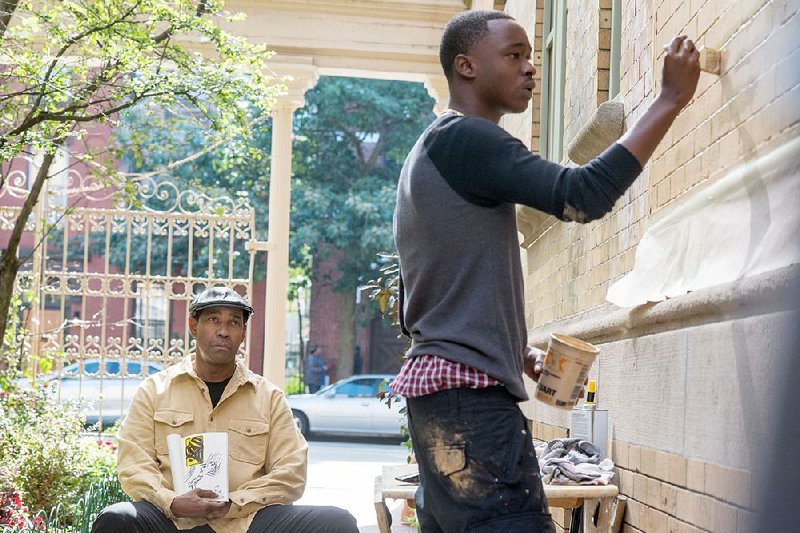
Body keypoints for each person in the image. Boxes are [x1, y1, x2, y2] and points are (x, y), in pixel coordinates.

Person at [392, 10, 700, 532]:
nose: (531, 68)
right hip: (470, 410)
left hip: (442, 405)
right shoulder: (467, 139)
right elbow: (581, 197)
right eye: (514, 55)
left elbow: (428, 293)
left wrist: (515, 351)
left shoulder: (431, 151)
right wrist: (670, 100)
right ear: (466, 66)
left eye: (531, 56)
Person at [92, 286, 357, 533]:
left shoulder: (268, 397)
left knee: (337, 521)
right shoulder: (155, 390)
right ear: (193, 326)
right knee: (117, 517)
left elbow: (291, 472)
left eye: (234, 322)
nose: (223, 331)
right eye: (213, 320)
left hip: (245, 521)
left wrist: (233, 503)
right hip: (171, 520)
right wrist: (172, 502)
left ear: (243, 333)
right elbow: (133, 464)